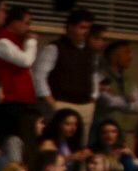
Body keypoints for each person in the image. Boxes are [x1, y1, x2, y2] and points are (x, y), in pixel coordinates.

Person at [32, 8, 98, 149]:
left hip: (85, 106)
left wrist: (93, 98)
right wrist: (51, 102)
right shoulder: (55, 48)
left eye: (88, 28)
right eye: (82, 27)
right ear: (70, 27)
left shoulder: (91, 52)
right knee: (55, 143)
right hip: (60, 103)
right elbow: (39, 76)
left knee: (80, 145)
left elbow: (94, 77)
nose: (86, 32)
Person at [0, 4, 39, 145]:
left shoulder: (18, 41)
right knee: (12, 138)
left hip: (22, 100)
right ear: (14, 22)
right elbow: (25, 61)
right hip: (11, 100)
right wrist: (32, 42)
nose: (29, 27)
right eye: (26, 23)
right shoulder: (3, 41)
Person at [95, 41, 138, 142]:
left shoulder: (129, 80)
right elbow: (108, 101)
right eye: (126, 52)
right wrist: (127, 100)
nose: (131, 57)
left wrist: (121, 101)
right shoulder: (101, 77)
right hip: (106, 133)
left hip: (128, 133)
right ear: (114, 56)